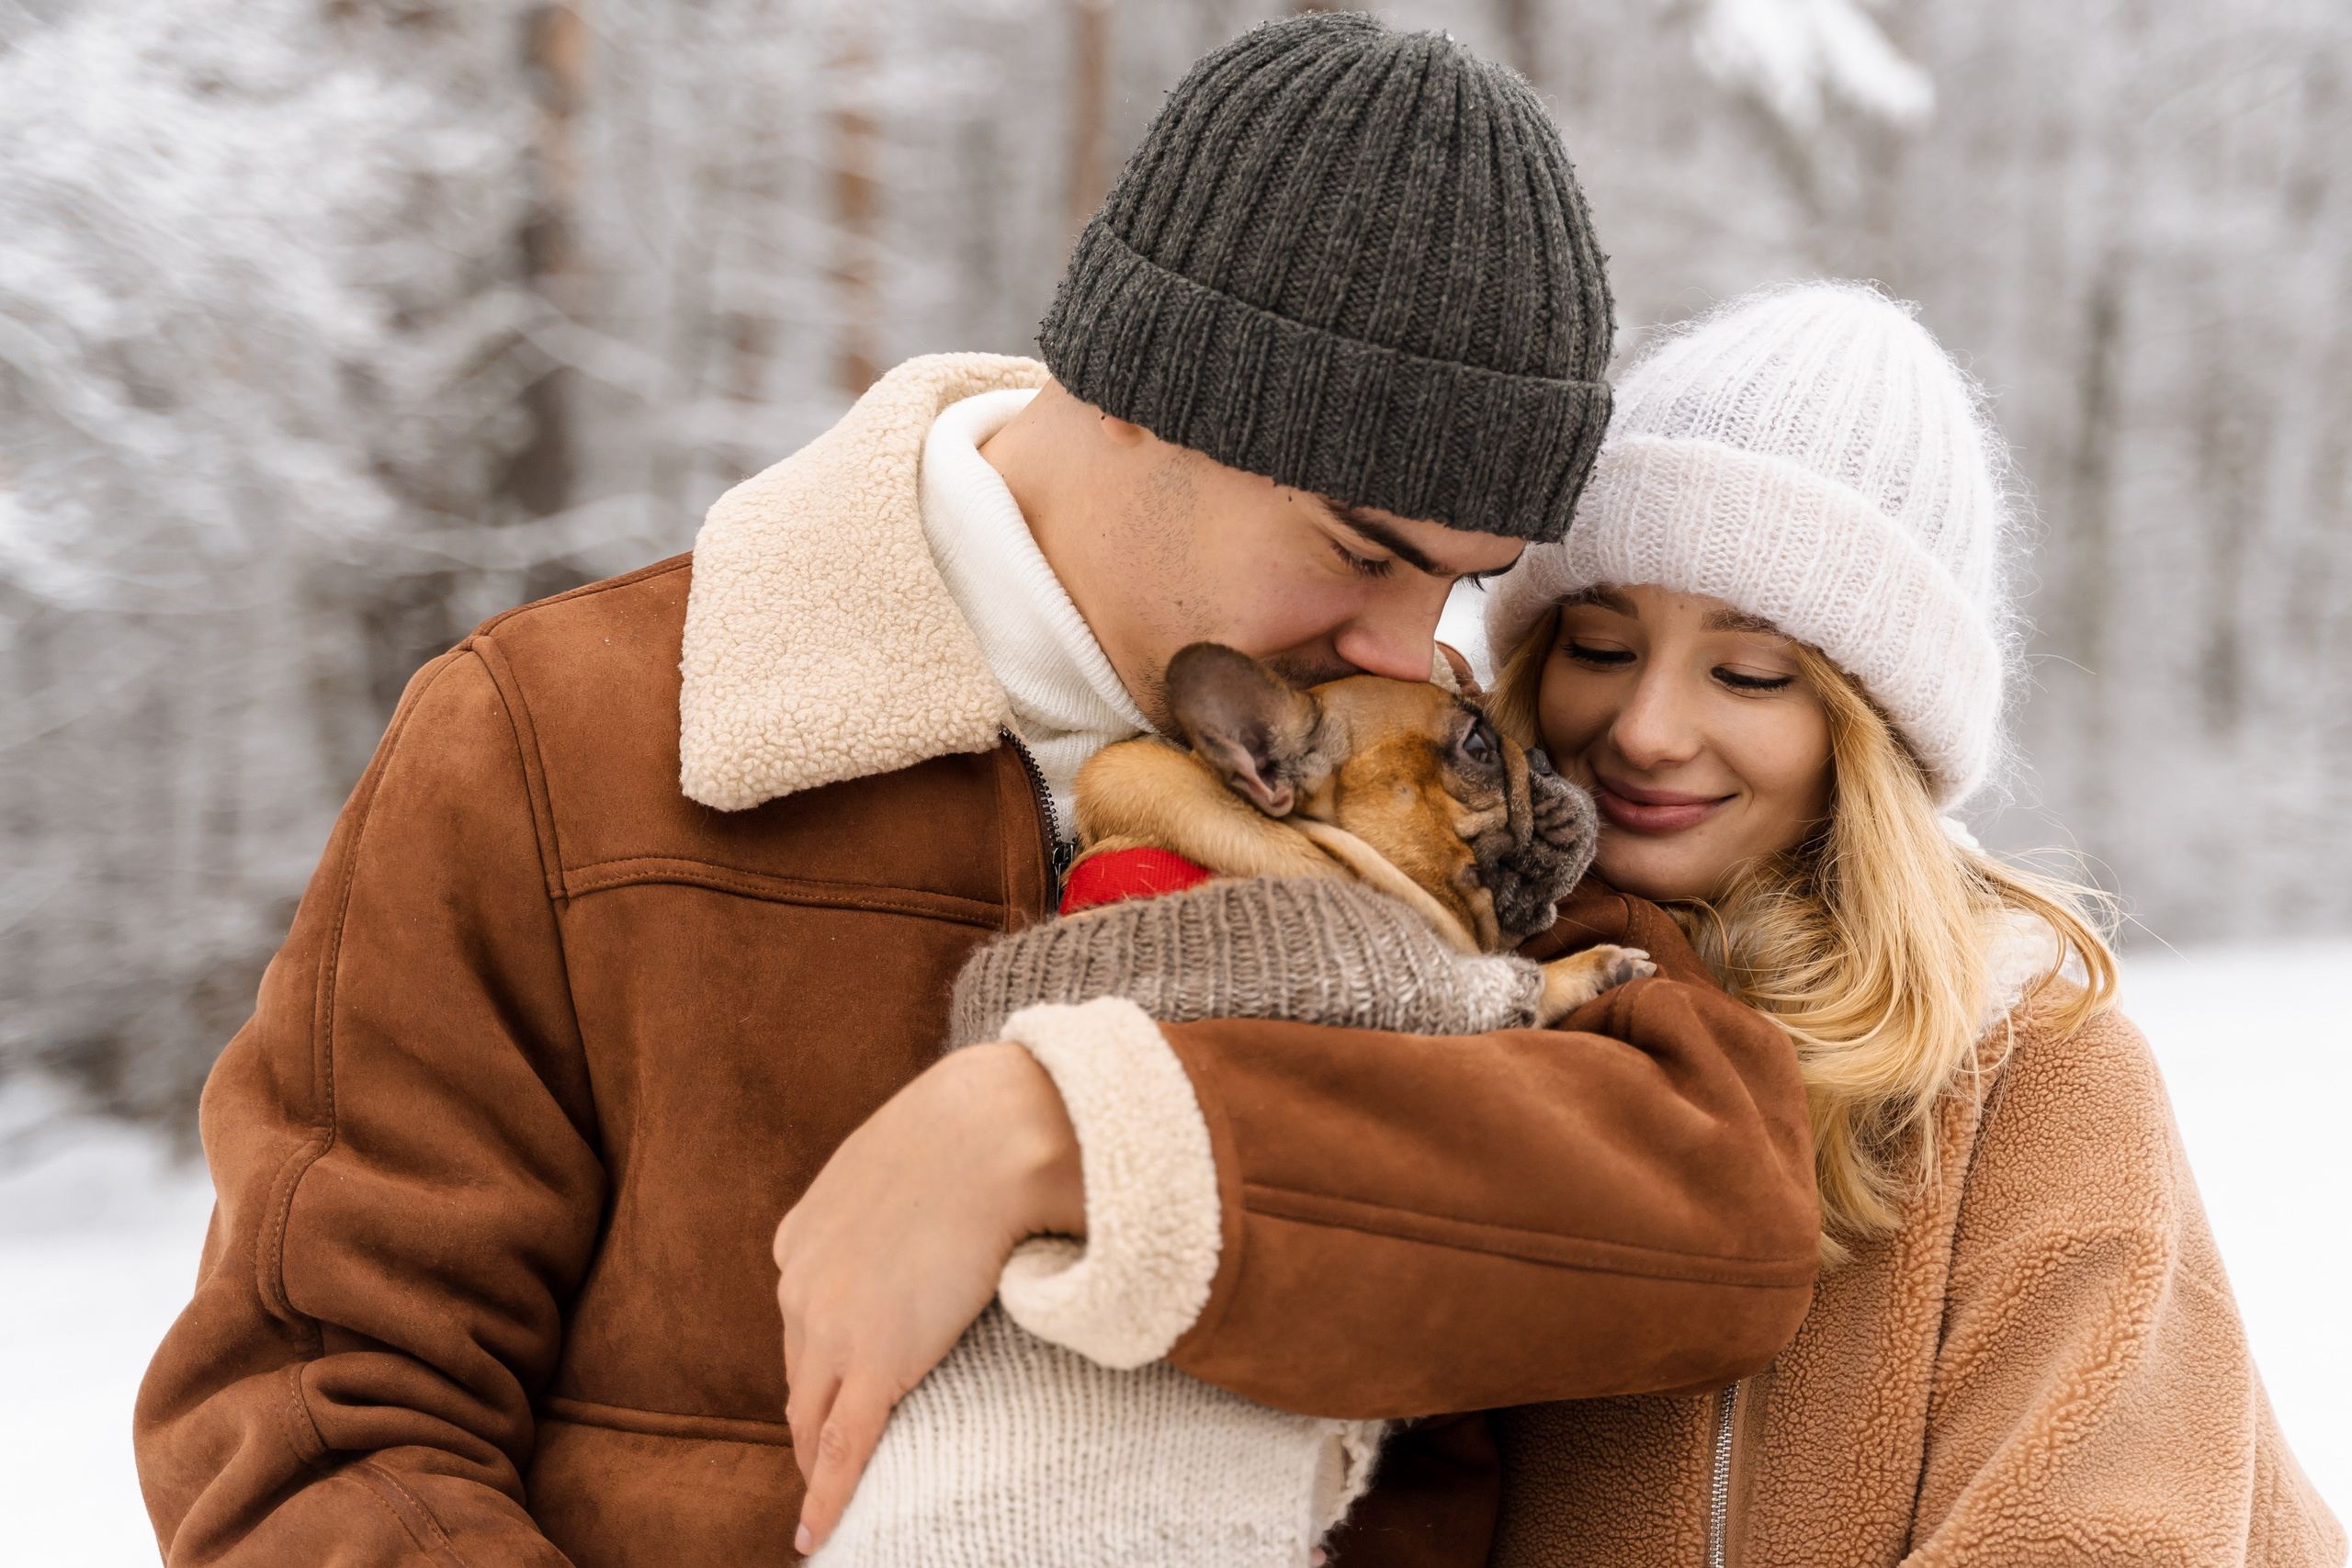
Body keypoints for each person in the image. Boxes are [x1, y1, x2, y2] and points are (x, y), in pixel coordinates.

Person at [134, 17, 1823, 1566]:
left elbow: (1713, 1203)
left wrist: (1079, 1137)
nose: (1409, 647)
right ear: (1141, 400)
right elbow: (318, 1404)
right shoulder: (558, 737)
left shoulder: (1429, 770)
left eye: (1460, 584)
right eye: (1362, 552)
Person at [1448, 280, 2346, 1566]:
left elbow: (2095, 1537)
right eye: (1599, 645)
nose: (1645, 728)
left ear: (1866, 733)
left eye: (1749, 673)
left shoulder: (2028, 1067)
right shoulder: (1459, 997)